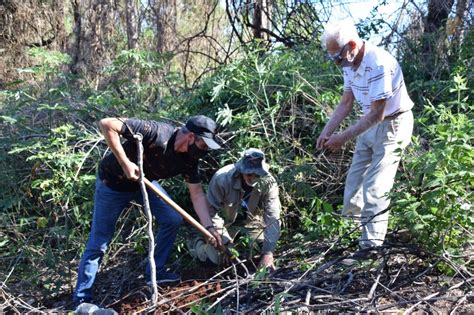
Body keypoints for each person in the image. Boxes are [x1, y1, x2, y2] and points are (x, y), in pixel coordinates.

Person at [73, 115, 223, 307]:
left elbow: (197, 195)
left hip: (145, 184)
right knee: (99, 242)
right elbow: (107, 124)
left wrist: (209, 227)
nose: (205, 151)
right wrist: (125, 162)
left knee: (172, 218)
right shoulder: (155, 132)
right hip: (112, 185)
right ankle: (82, 300)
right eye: (204, 145)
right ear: (191, 137)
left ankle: (155, 272)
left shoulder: (189, 160)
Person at [317, 21, 414, 250]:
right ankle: (350, 238)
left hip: (393, 124)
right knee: (354, 184)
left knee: (375, 187)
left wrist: (342, 138)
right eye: (332, 58)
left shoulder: (378, 63)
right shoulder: (349, 64)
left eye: (337, 57)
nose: (336, 63)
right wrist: (327, 132)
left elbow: (377, 115)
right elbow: (346, 102)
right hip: (368, 123)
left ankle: (370, 249)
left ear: (351, 46)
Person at [189, 148, 281, 270]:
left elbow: (273, 217)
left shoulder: (269, 183)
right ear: (241, 170)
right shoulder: (222, 179)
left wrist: (268, 253)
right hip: (222, 224)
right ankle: (195, 242)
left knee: (259, 251)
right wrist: (226, 243)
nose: (252, 178)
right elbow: (210, 212)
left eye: (257, 174)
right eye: (249, 174)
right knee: (216, 260)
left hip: (249, 224)